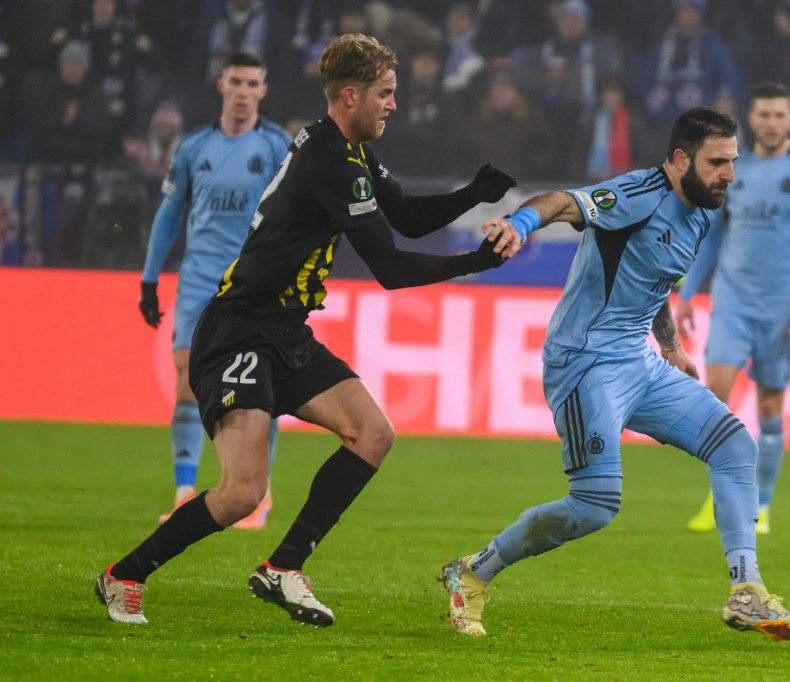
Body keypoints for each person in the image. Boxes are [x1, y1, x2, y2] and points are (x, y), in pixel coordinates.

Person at [96, 33, 518, 625]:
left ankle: (284, 567)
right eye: (385, 93)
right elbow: (391, 268)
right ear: (350, 96)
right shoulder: (331, 160)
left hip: (284, 331)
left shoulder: (347, 149)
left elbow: (405, 215)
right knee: (242, 493)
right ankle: (123, 576)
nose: (393, 104)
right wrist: (475, 262)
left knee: (373, 433)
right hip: (239, 331)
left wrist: (473, 194)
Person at [439, 106, 790, 644]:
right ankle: (473, 572)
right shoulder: (637, 194)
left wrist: (670, 345)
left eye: (733, 161)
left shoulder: (702, 210)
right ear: (680, 159)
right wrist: (519, 223)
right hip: (585, 363)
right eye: (717, 162)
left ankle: (746, 590)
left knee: (735, 445)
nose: (730, 174)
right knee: (594, 507)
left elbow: (652, 279)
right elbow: (561, 201)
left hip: (639, 362)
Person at [676, 83, 790, 535]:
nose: (771, 123)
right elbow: (713, 233)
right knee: (716, 394)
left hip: (783, 308)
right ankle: (721, 497)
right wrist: (688, 292)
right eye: (764, 115)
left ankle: (762, 504)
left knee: (770, 405)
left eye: (779, 115)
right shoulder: (734, 168)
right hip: (732, 301)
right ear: (751, 119)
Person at [139, 51, 291, 530]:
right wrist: (149, 278)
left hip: (254, 282)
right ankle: (185, 493)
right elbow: (169, 213)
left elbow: (294, 213)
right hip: (199, 280)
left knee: (260, 384)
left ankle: (259, 494)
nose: (243, 92)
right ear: (221, 85)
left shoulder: (276, 146)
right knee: (187, 376)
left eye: (252, 83)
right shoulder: (193, 147)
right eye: (236, 82)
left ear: (263, 91)